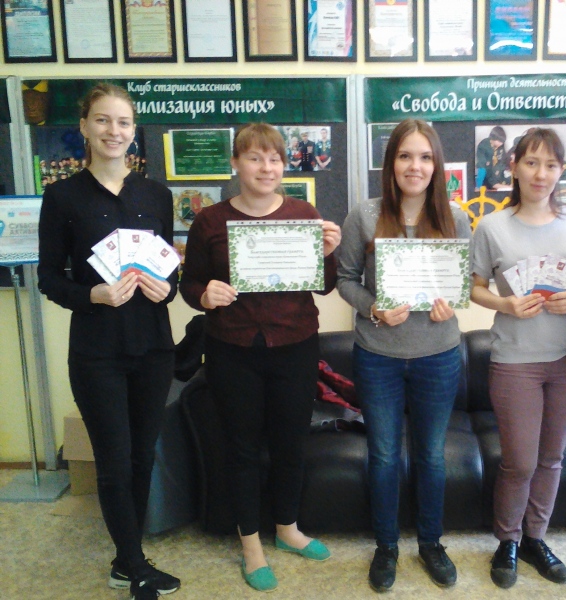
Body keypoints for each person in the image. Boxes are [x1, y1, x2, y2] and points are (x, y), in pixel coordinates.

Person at [179, 123, 341, 592]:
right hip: (232, 349)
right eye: (254, 157)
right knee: (242, 449)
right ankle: (251, 545)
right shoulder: (210, 221)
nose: (265, 168)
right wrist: (204, 295)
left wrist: (328, 253)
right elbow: (190, 285)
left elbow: (325, 285)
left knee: (291, 443)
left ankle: (288, 529)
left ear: (284, 166)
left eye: (274, 159)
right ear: (235, 163)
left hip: (295, 345)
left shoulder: (303, 214)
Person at [37, 83, 180, 600]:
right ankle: (136, 566)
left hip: (154, 347)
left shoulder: (156, 194)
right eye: (102, 120)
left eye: (122, 122)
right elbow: (49, 278)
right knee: (114, 461)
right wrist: (92, 294)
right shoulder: (62, 197)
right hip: (97, 351)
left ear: (133, 130)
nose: (113, 131)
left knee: (142, 458)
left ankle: (126, 558)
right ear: (84, 127)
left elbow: (169, 272)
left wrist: (168, 289)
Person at [337, 118, 472, 592]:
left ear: (437, 165)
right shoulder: (364, 216)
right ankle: (386, 546)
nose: (415, 166)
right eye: (405, 156)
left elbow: (460, 286)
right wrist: (373, 308)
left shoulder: (455, 219)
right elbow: (345, 280)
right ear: (391, 162)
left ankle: (431, 543)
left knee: (432, 455)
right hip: (378, 355)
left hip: (438, 354)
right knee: (384, 455)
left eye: (425, 157)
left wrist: (449, 304)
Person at [470, 129, 566, 589]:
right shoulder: (492, 227)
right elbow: (475, 288)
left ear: (561, 170)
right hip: (514, 360)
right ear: (513, 167)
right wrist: (504, 304)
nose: (540, 174)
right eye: (531, 163)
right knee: (519, 462)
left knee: (551, 458)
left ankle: (535, 538)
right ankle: (506, 540)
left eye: (550, 165)